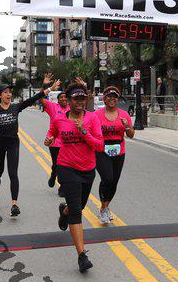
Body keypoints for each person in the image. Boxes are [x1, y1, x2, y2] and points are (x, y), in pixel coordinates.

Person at [44, 82, 104, 273]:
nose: (80, 102)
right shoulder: (60, 118)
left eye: (83, 98)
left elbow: (100, 145)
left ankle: (64, 212)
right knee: (77, 213)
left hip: (88, 169)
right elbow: (52, 132)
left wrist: (84, 131)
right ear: (69, 101)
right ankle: (81, 256)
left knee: (79, 206)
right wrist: (49, 139)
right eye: (76, 98)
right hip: (67, 167)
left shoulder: (92, 118)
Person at [0, 74, 61, 217]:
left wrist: (49, 89)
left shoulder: (15, 107)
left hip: (13, 143)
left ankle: (14, 204)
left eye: (10, 92)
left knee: (13, 173)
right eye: (5, 92)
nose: (9, 94)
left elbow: (33, 99)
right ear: (0, 95)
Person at [94, 86, 134, 224]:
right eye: (109, 96)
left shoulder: (124, 115)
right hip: (101, 150)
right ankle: (103, 210)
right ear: (104, 99)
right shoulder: (96, 115)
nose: (112, 99)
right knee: (107, 178)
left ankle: (105, 207)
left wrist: (127, 126)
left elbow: (131, 135)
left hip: (119, 150)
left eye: (115, 97)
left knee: (114, 181)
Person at [41, 89, 69, 196]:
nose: (63, 99)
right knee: (56, 164)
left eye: (65, 97)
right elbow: (40, 98)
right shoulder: (53, 107)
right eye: (61, 97)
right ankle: (54, 174)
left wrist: (83, 86)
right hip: (54, 140)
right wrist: (45, 87)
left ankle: (62, 186)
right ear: (58, 100)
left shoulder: (71, 108)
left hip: (67, 141)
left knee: (65, 165)